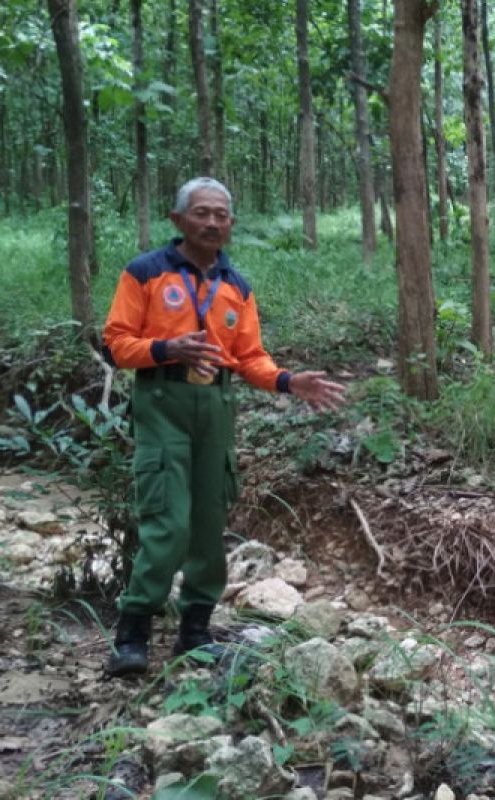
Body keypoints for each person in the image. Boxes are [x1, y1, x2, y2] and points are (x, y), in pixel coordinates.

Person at [101, 177, 346, 676]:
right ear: (178, 219)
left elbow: (249, 356)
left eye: (221, 215)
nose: (212, 222)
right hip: (162, 401)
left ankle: (195, 633)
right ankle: (132, 636)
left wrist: (287, 381)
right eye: (201, 213)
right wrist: (166, 348)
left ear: (231, 224)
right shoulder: (146, 272)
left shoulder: (236, 286)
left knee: (209, 525)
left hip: (215, 405)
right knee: (168, 522)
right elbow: (115, 344)